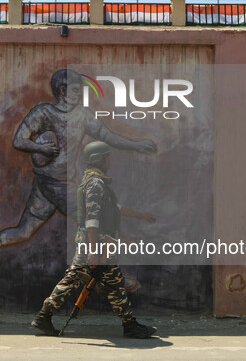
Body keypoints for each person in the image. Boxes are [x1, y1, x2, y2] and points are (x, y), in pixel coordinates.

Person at [0, 69, 157, 272]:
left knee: (24, 232)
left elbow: (107, 136)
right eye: (75, 90)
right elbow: (19, 140)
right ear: (62, 91)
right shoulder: (43, 113)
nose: (79, 94)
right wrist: (40, 148)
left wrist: (136, 145)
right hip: (59, 186)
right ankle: (113, 277)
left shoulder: (83, 115)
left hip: (48, 186)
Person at [31, 141, 157, 338]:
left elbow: (115, 208)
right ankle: (43, 316)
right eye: (107, 157)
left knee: (114, 283)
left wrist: (142, 216)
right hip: (96, 243)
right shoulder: (95, 183)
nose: (109, 160)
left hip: (103, 243)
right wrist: (93, 250)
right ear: (99, 159)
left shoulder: (99, 181)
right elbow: (92, 217)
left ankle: (129, 324)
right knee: (74, 279)